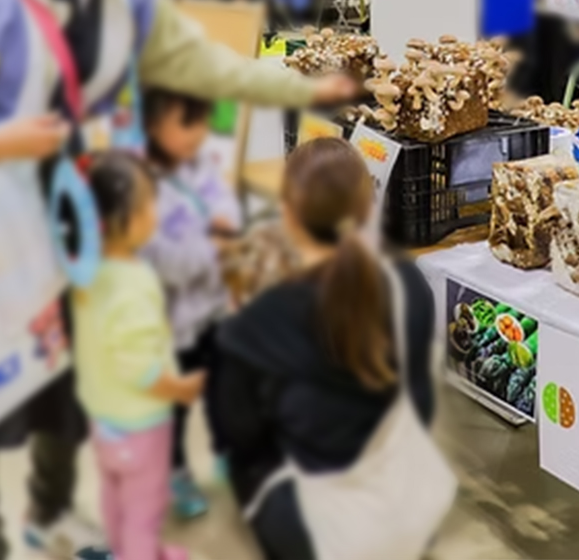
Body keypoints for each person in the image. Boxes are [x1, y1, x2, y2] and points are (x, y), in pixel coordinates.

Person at [0, 0, 356, 560]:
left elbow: (202, 62)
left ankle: (49, 515)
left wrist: (309, 88)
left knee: (60, 390)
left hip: (65, 229)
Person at [208, 137, 448, 560]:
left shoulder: (263, 313)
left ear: (288, 212)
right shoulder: (410, 282)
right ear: (368, 203)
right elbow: (420, 404)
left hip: (310, 524)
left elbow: (237, 433)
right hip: (406, 505)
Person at [73, 152, 200, 560]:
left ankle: (120, 550)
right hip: (140, 425)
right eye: (148, 202)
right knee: (144, 511)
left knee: (114, 495)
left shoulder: (84, 273)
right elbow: (140, 369)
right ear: (122, 220)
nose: (155, 210)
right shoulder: (134, 284)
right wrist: (181, 389)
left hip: (103, 416)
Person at [141, 88, 240, 521]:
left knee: (223, 385)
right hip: (171, 319)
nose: (197, 134)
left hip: (212, 308)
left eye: (201, 123)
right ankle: (174, 470)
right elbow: (158, 253)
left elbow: (226, 210)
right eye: (186, 124)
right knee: (175, 404)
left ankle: (228, 454)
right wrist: (208, 247)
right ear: (152, 127)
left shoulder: (202, 167)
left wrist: (223, 236)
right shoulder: (141, 185)